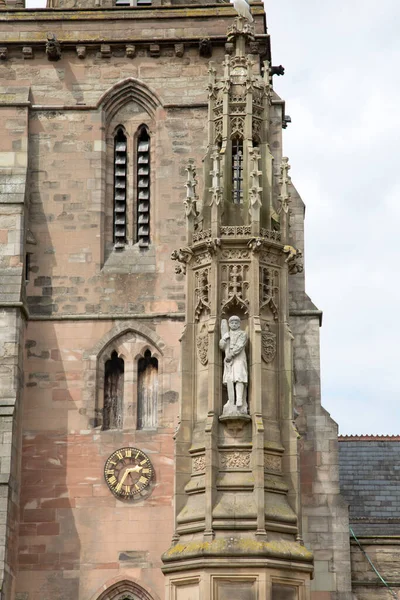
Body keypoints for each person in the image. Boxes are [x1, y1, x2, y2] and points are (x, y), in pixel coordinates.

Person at [219, 315, 248, 414]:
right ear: (229, 324)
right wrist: (223, 339)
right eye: (232, 323)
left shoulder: (242, 334)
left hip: (238, 357)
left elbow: (240, 345)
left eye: (236, 323)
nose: (234, 324)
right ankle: (231, 400)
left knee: (239, 376)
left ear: (239, 324)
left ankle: (239, 399)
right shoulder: (227, 334)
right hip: (228, 359)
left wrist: (231, 354)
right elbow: (222, 347)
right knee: (229, 378)